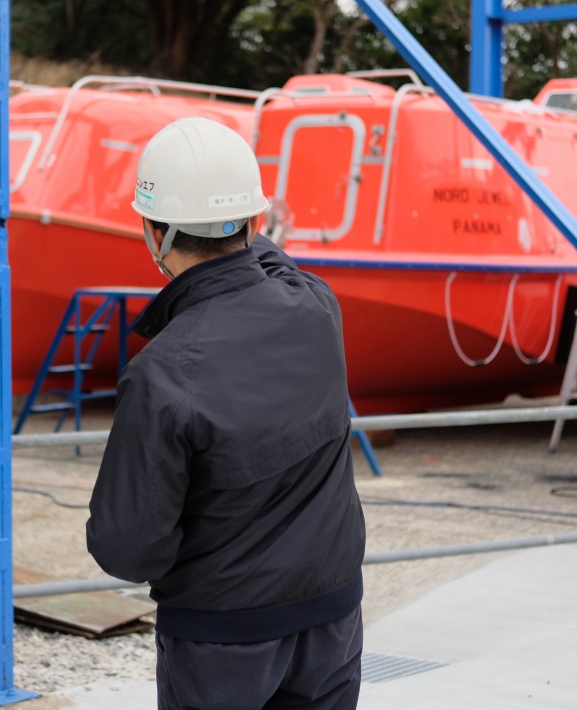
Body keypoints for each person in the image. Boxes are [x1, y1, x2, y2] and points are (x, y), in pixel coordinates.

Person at [87, 117, 367, 710]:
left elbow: (127, 549)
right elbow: (273, 261)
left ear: (152, 231)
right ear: (254, 220)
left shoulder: (161, 374)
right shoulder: (318, 308)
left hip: (222, 639)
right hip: (332, 620)